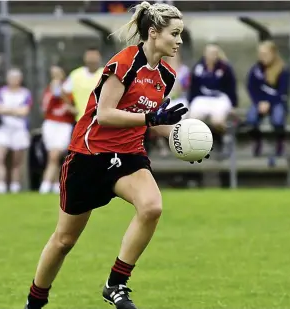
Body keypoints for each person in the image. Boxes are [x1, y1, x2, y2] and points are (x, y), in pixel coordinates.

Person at [22, 3, 204, 309]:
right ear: (153, 33)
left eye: (181, 34)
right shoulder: (125, 62)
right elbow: (105, 115)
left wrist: (182, 137)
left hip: (129, 154)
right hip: (89, 155)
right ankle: (35, 300)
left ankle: (116, 284)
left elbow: (154, 122)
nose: (179, 40)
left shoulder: (167, 76)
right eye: (174, 34)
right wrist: (150, 119)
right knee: (64, 241)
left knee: (151, 207)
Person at [188, 42, 237, 158]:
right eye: (209, 53)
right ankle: (202, 145)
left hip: (220, 98)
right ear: (205, 53)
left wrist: (233, 105)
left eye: (214, 53)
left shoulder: (225, 68)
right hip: (201, 98)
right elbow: (193, 87)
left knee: (217, 121)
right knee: (192, 120)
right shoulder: (198, 68)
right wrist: (190, 102)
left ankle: (224, 139)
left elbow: (231, 87)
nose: (212, 55)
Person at [0, 68, 32, 194]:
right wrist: (15, 111)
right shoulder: (1, 92)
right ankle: (0, 186)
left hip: (19, 129)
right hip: (4, 128)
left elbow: (24, 111)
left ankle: (14, 187)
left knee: (16, 161)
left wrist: (6, 110)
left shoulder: (25, 93)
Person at [246, 40, 289, 158]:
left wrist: (269, 102)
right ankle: (257, 141)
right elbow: (251, 88)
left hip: (276, 101)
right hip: (260, 102)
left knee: (278, 118)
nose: (262, 57)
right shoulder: (255, 69)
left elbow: (282, 91)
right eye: (260, 54)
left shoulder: (282, 70)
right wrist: (259, 102)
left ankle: (280, 143)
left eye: (265, 54)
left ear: (273, 54)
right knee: (251, 118)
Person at [39, 65, 77, 194]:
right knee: (52, 157)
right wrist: (52, 92)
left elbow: (74, 108)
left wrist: (62, 94)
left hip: (64, 125)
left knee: (55, 155)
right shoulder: (49, 91)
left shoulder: (69, 91)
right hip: (51, 124)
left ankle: (44, 185)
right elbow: (44, 109)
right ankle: (56, 185)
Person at [62, 46, 104, 121]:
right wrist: (71, 108)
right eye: (89, 56)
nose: (92, 58)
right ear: (84, 58)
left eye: (94, 56)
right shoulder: (75, 74)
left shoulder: (105, 74)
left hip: (100, 120)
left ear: (99, 57)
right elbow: (63, 91)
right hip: (81, 120)